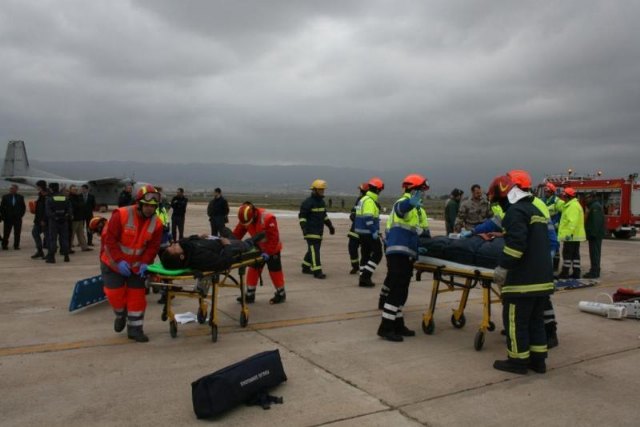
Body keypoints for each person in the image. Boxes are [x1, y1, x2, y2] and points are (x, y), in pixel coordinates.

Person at [492, 170, 554, 375]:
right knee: (536, 322)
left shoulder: (515, 212)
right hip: (542, 280)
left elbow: (515, 245)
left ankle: (517, 362)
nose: (500, 206)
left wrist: (503, 266)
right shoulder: (535, 211)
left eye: (499, 201)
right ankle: (538, 361)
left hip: (522, 282)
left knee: (515, 322)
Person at [101, 185, 163, 342]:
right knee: (114, 295)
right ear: (140, 204)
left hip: (136, 267)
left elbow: (153, 247)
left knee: (137, 299)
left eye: (153, 206)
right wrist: (119, 260)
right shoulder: (121, 215)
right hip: (114, 264)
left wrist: (145, 262)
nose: (150, 209)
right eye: (147, 205)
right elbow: (110, 240)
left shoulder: (157, 223)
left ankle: (135, 330)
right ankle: (121, 315)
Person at [377, 174, 430, 342]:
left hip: (406, 253)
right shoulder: (405, 202)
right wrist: (410, 202)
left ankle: (398, 324)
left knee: (402, 291)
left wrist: (416, 248)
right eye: (422, 190)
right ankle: (386, 327)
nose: (423, 194)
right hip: (399, 254)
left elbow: (411, 231)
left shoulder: (415, 207)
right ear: (414, 190)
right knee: (397, 290)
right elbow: (401, 210)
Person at [232, 202, 286, 304]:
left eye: (247, 223)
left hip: (273, 249)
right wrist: (230, 244)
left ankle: (281, 293)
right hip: (258, 248)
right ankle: (250, 294)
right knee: (253, 269)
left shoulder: (268, 218)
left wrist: (268, 253)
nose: (245, 225)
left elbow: (274, 239)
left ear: (253, 216)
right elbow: (237, 233)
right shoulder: (246, 219)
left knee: (275, 271)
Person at [160, 234, 256, 272]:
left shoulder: (185, 247)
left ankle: (230, 236)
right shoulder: (199, 258)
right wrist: (227, 245)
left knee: (227, 234)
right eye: (173, 248)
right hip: (223, 246)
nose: (173, 245)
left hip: (215, 240)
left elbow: (188, 240)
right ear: (181, 256)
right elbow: (225, 262)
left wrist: (198, 237)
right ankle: (256, 240)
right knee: (246, 244)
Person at [299, 179, 335, 279]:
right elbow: (302, 217)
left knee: (313, 249)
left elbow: (324, 216)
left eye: (323, 190)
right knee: (315, 251)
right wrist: (304, 228)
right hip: (310, 231)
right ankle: (317, 271)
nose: (322, 192)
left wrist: (330, 226)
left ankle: (305, 266)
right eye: (320, 190)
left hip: (319, 231)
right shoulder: (308, 202)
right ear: (314, 190)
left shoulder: (322, 202)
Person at [354, 177, 384, 288]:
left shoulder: (363, 199)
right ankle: (365, 276)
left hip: (361, 232)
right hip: (368, 233)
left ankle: (362, 278)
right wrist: (374, 231)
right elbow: (368, 218)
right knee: (378, 254)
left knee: (365, 255)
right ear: (377, 190)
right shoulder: (370, 201)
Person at [557, 187, 586, 279]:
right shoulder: (573, 205)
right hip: (575, 235)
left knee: (567, 254)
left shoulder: (572, 206)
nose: (563, 198)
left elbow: (572, 223)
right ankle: (576, 272)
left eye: (564, 196)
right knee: (575, 255)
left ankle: (565, 273)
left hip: (570, 236)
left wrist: (567, 236)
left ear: (567, 196)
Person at [45, 183, 72, 263]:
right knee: (64, 239)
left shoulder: (49, 199)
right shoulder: (65, 198)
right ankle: (66, 256)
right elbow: (69, 210)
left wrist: (55, 217)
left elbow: (48, 212)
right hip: (64, 221)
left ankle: (52, 257)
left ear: (51, 189)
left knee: (53, 239)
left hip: (54, 222)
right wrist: (64, 217)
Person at [348, 183, 369, 274]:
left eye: (361, 191)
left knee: (365, 250)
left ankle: (363, 267)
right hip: (355, 229)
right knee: (352, 248)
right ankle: (355, 266)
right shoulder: (359, 200)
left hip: (364, 231)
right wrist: (353, 214)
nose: (360, 193)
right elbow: (354, 211)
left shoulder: (369, 201)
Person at [583, 192, 605, 279]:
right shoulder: (593, 205)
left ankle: (594, 272)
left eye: (587, 198)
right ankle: (594, 270)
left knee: (595, 254)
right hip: (594, 235)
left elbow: (596, 222)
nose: (586, 200)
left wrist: (592, 234)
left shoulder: (595, 206)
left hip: (595, 235)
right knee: (594, 253)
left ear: (592, 197)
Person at [1, 184, 26, 250]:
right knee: (6, 233)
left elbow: (23, 207)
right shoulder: (5, 197)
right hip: (7, 218)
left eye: (13, 188)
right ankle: (4, 245)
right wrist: (3, 217)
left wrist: (20, 215)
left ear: (16, 189)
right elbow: (2, 208)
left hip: (17, 218)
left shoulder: (20, 197)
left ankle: (16, 245)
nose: (11, 189)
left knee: (17, 233)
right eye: (11, 188)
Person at [68, 185, 91, 252]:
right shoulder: (70, 197)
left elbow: (82, 205)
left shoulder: (79, 197)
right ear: (70, 190)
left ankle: (84, 247)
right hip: (74, 218)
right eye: (74, 189)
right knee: (71, 234)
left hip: (80, 218)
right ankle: (69, 247)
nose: (76, 190)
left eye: (76, 189)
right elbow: (75, 206)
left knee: (81, 233)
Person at [31, 180, 49, 259]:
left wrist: (44, 220)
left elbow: (46, 209)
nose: (37, 188)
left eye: (37, 186)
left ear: (41, 187)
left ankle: (50, 253)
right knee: (35, 233)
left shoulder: (47, 196)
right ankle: (40, 251)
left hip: (44, 221)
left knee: (47, 237)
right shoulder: (41, 195)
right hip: (38, 220)